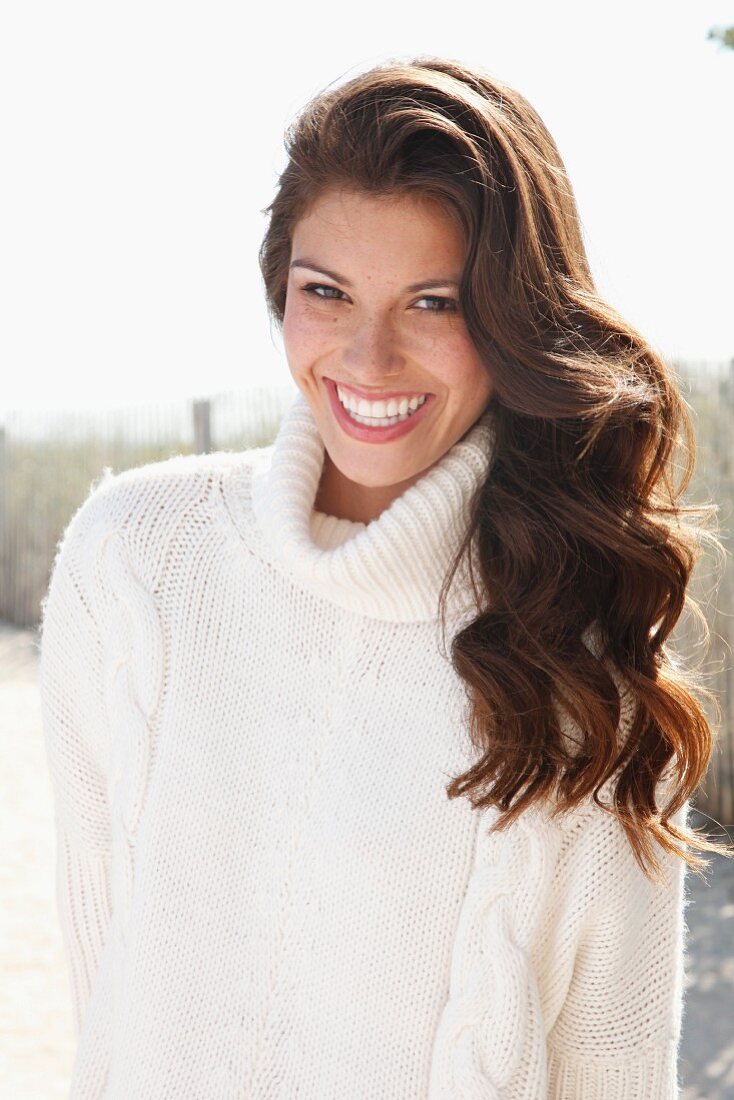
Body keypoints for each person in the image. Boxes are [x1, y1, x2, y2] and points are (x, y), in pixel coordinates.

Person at [38, 56, 732, 1099]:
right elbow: (106, 971)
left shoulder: (579, 670)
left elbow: (612, 1069)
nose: (366, 357)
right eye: (326, 292)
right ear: (280, 290)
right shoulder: (136, 560)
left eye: (431, 302)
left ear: (509, 322)